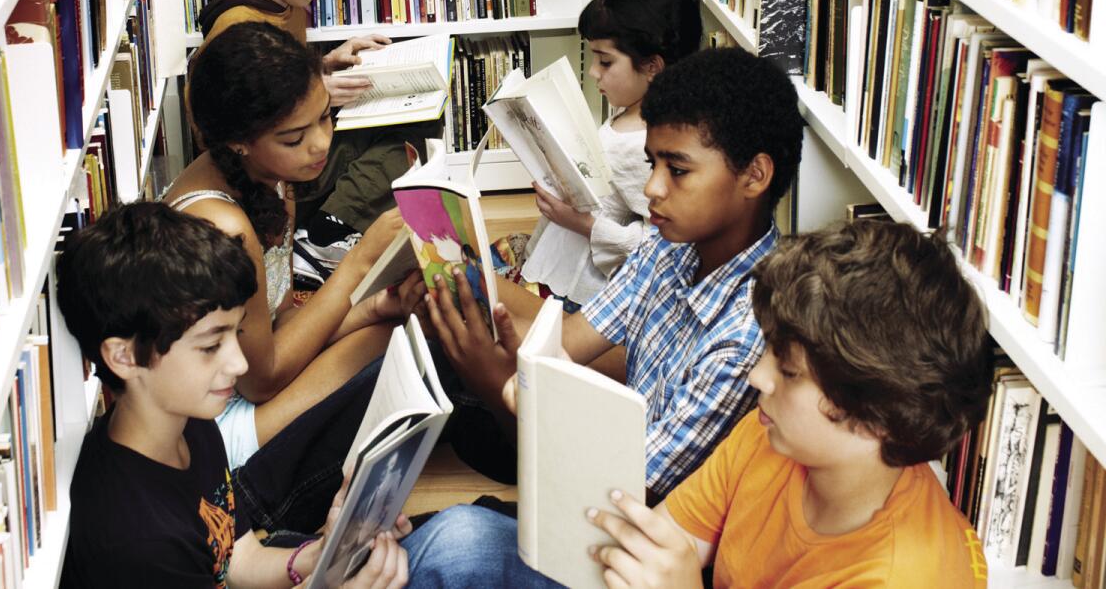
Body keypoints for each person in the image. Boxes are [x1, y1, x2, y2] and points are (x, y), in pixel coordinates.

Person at [406, 219, 994, 588]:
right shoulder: (771, 436)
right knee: (460, 541)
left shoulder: (900, 575)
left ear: (873, 418)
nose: (758, 376)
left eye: (787, 372)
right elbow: (654, 539)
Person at [425, 47, 805, 497]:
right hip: (604, 460)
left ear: (755, 176)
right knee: (440, 354)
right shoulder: (667, 249)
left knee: (455, 536)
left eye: (678, 170)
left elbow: (623, 489)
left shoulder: (747, 338)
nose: (652, 189)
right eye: (653, 164)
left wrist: (496, 383)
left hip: (638, 525)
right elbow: (572, 341)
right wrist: (485, 322)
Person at [56, 202, 411, 588]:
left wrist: (320, 553)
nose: (239, 364)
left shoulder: (190, 423)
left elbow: (239, 561)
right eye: (211, 346)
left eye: (235, 333)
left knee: (451, 537)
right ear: (124, 357)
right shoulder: (136, 541)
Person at [165, 22, 419, 536]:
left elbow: (280, 322)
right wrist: (360, 261)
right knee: (405, 350)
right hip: (218, 427)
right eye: (293, 137)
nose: (321, 143)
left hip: (247, 379)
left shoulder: (264, 177)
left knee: (401, 327)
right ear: (240, 142)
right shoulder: (225, 225)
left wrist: (369, 309)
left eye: (325, 117)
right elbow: (262, 380)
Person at [196, 0, 441, 286]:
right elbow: (218, 124)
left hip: (288, 162)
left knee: (421, 115)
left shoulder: (282, 4)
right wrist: (322, 91)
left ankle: (325, 231)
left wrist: (323, 65)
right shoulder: (236, 27)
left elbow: (274, 84)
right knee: (409, 137)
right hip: (266, 174)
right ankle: (325, 236)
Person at [500, 0, 703, 309]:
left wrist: (583, 224)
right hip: (560, 258)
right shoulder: (630, 115)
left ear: (652, 66)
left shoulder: (647, 146)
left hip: (579, 293)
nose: (594, 72)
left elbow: (659, 240)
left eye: (605, 61)